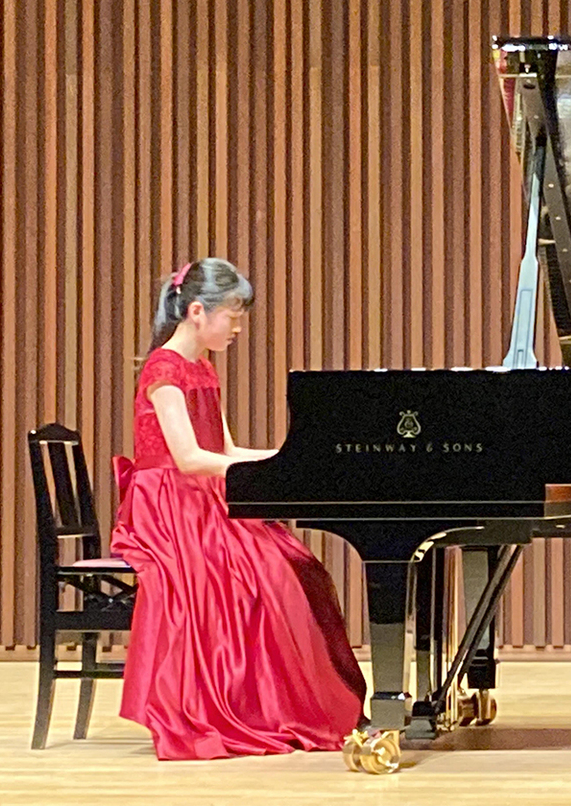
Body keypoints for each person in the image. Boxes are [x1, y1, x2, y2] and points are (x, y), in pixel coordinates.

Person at [110, 258, 367, 760]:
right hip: (167, 503)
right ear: (197, 312)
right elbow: (188, 459)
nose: (238, 327)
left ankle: (279, 704)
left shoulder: (202, 368)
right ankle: (255, 708)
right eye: (232, 315)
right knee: (259, 572)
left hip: (202, 493)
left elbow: (223, 449)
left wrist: (289, 458)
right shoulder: (163, 370)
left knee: (295, 565)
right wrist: (269, 467)